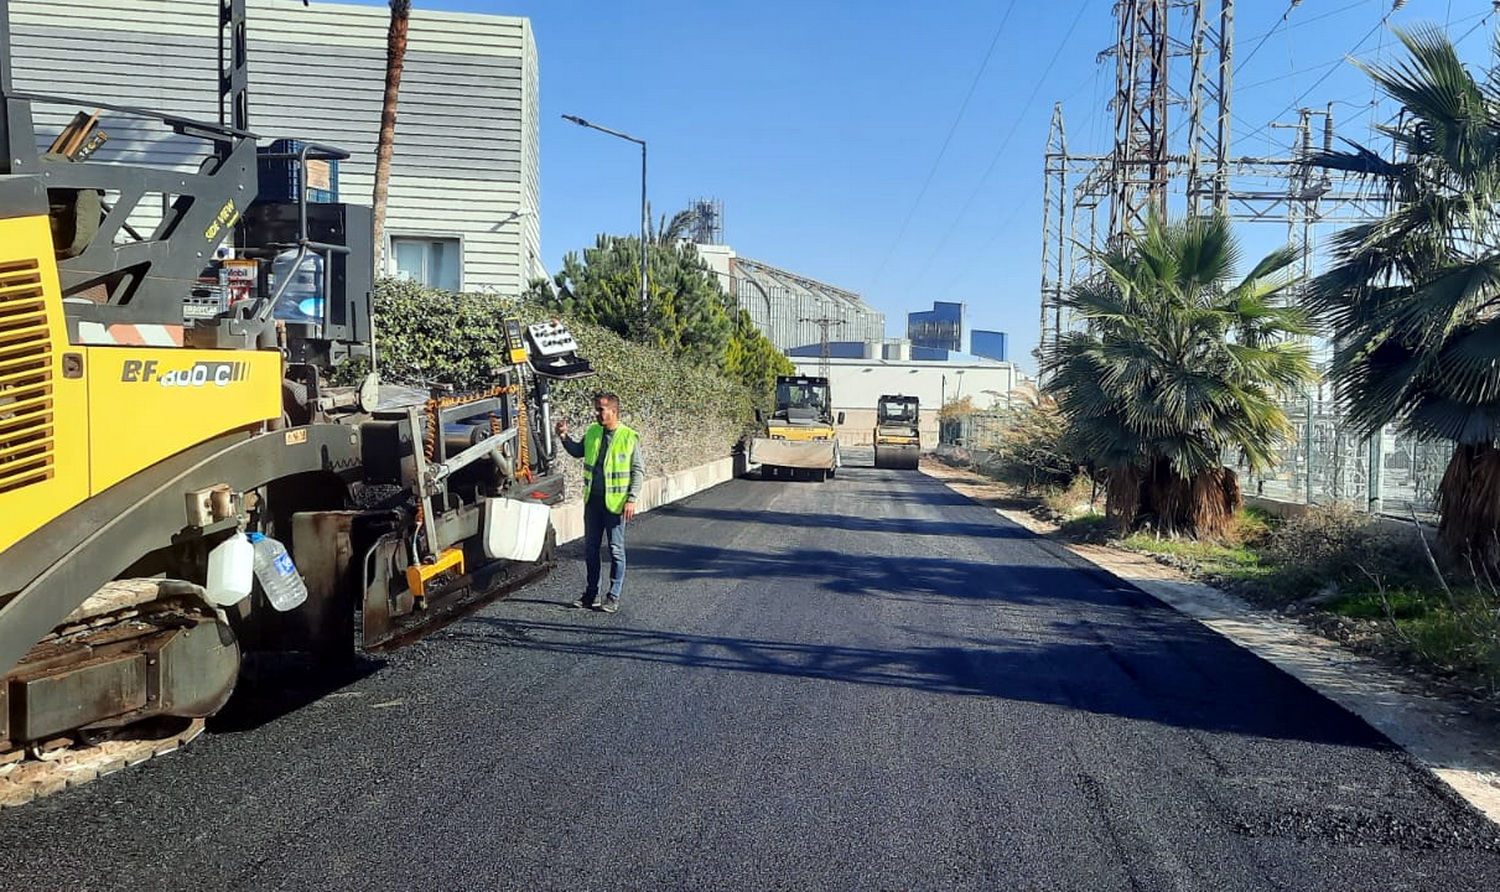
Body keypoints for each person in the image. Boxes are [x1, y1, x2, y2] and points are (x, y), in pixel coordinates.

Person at [554, 392, 643, 613]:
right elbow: (577, 452)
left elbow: (638, 471)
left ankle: (613, 595)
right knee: (591, 549)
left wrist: (631, 499)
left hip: (615, 505)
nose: (597, 413)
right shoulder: (593, 432)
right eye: (596, 408)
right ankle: (591, 594)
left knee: (615, 550)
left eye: (601, 409)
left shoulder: (628, 437)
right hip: (593, 501)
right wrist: (564, 437)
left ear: (614, 411)